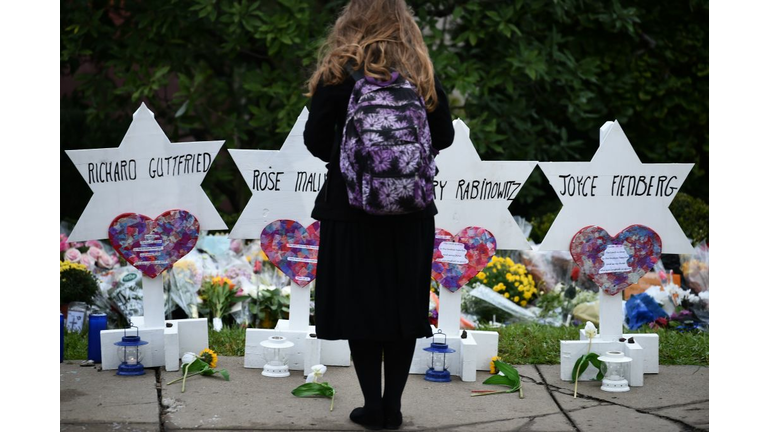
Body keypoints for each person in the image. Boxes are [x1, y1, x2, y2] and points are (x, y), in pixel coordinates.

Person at [303, 0, 454, 429]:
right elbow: (444, 135)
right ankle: (394, 406)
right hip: (412, 209)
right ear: (405, 24)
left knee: (361, 308)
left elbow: (315, 140)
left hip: (349, 209)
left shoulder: (339, 73)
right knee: (403, 308)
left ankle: (372, 406)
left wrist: (358, 158)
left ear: (351, 21)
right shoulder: (419, 73)